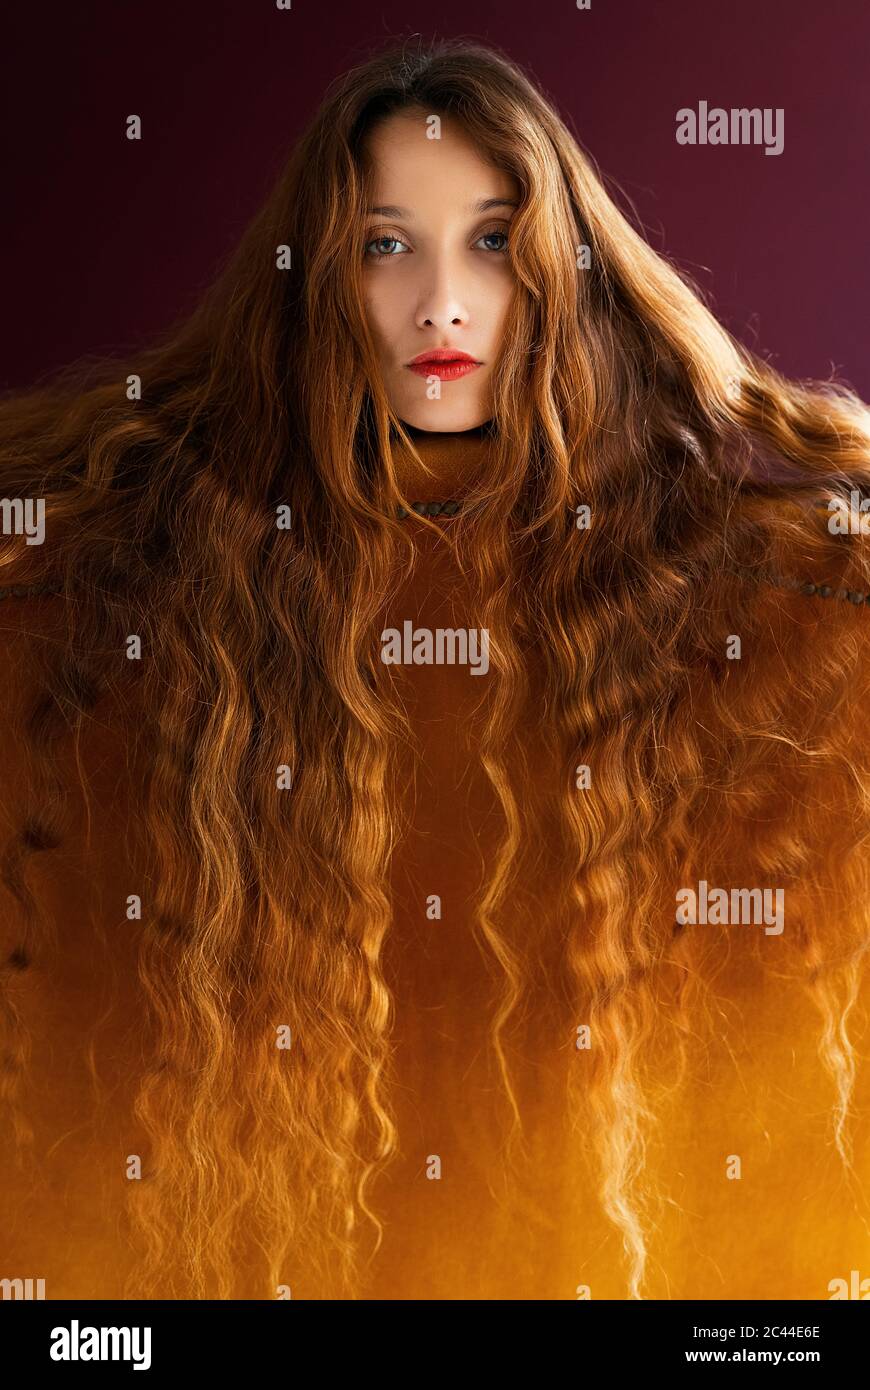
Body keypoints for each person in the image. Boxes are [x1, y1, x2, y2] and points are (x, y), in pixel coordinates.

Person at [1, 36, 869, 1303]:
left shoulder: (765, 599)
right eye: (386, 244)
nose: (442, 306)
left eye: (494, 241)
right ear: (322, 279)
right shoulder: (147, 591)